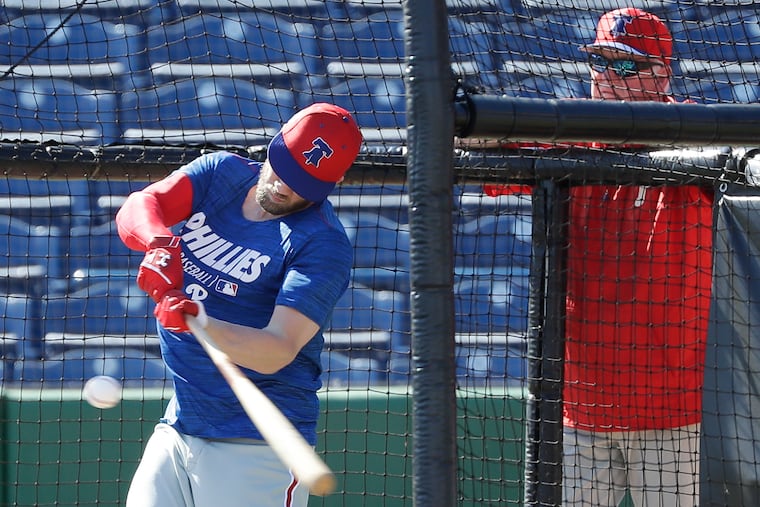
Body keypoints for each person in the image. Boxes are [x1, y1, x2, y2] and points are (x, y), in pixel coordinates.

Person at [486, 7, 711, 506]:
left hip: (678, 415)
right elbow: (480, 149)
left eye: (625, 65)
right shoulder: (570, 131)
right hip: (577, 413)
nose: (607, 77)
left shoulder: (701, 135)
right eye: (600, 62)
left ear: (663, 73)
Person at [115, 102, 363, 507]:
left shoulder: (323, 243)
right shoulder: (221, 174)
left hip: (258, 446)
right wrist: (158, 244)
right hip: (182, 423)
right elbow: (141, 206)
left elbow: (276, 349)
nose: (286, 187)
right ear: (273, 148)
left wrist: (201, 321)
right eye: (285, 169)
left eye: (305, 182)